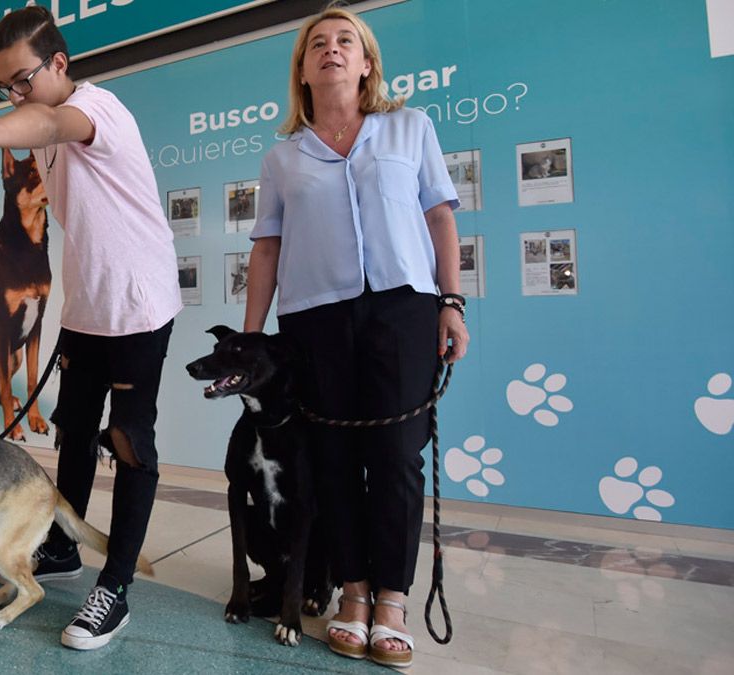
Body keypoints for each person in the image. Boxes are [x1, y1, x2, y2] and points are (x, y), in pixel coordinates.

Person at [0, 5, 181, 651]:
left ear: (60, 64)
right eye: (3, 86)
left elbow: (51, 117)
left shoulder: (98, 108)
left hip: (140, 306)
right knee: (74, 435)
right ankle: (60, 547)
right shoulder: (42, 134)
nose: (15, 95)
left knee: (129, 440)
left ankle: (114, 586)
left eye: (23, 79)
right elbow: (39, 124)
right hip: (87, 310)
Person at [242, 5, 468, 669]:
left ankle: (393, 598)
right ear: (303, 69)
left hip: (404, 308)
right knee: (334, 457)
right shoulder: (283, 157)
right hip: (315, 315)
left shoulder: (409, 128)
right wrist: (253, 339)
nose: (332, 50)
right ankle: (354, 590)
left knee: (397, 453)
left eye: (346, 41)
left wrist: (451, 302)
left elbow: (440, 219)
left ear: (367, 62)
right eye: (318, 44)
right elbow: (265, 251)